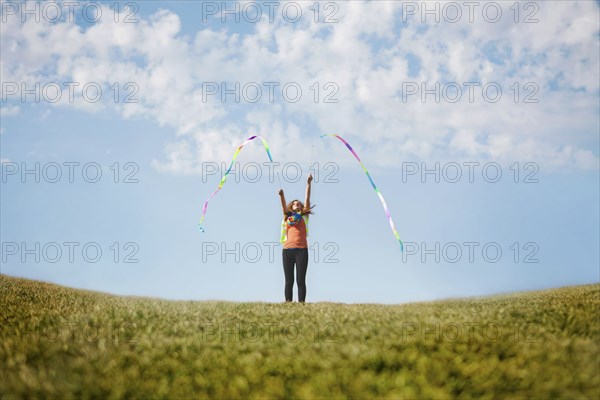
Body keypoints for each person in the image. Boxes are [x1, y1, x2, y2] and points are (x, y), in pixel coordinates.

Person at [278, 174, 314, 303]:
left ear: (301, 206)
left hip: (301, 250)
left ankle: (301, 304)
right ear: (291, 207)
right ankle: (288, 303)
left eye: (298, 203)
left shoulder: (304, 217)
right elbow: (283, 207)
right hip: (287, 250)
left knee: (300, 280)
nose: (296, 204)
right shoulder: (287, 217)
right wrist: (282, 196)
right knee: (289, 280)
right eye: (294, 204)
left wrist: (308, 184)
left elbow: (307, 198)